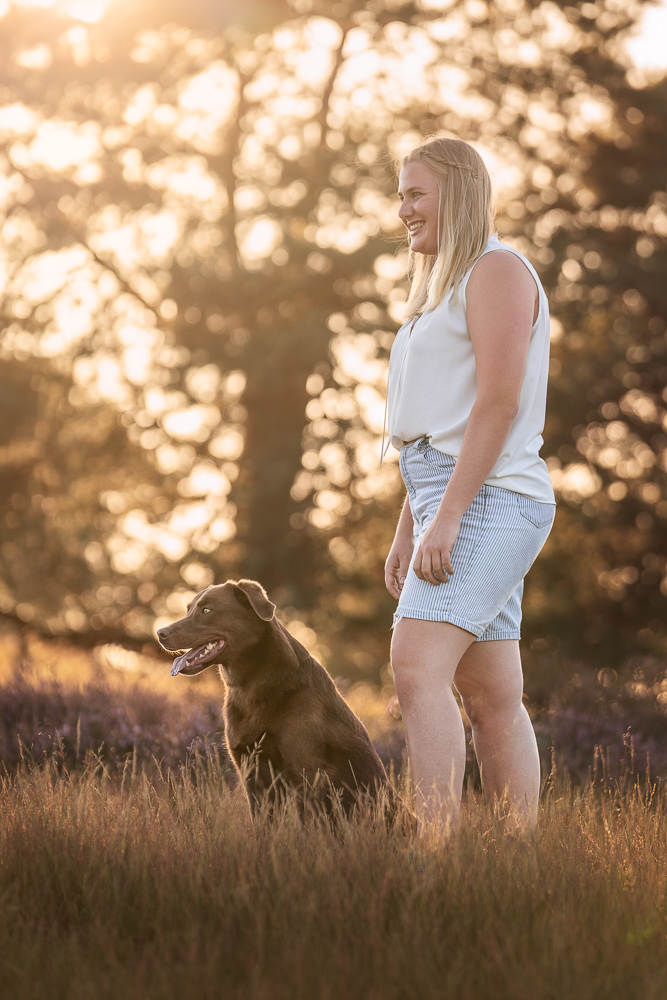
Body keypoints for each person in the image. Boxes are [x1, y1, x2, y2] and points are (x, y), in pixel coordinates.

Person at [383, 136, 556, 834]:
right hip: (449, 494)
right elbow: (435, 425)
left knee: (415, 665)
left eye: (415, 194)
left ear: (456, 193)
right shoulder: (443, 288)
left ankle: (431, 857)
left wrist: (448, 516)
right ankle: (515, 864)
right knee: (490, 693)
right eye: (400, 196)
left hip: (490, 497)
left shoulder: (498, 270)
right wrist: (410, 525)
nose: (403, 210)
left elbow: (496, 405)